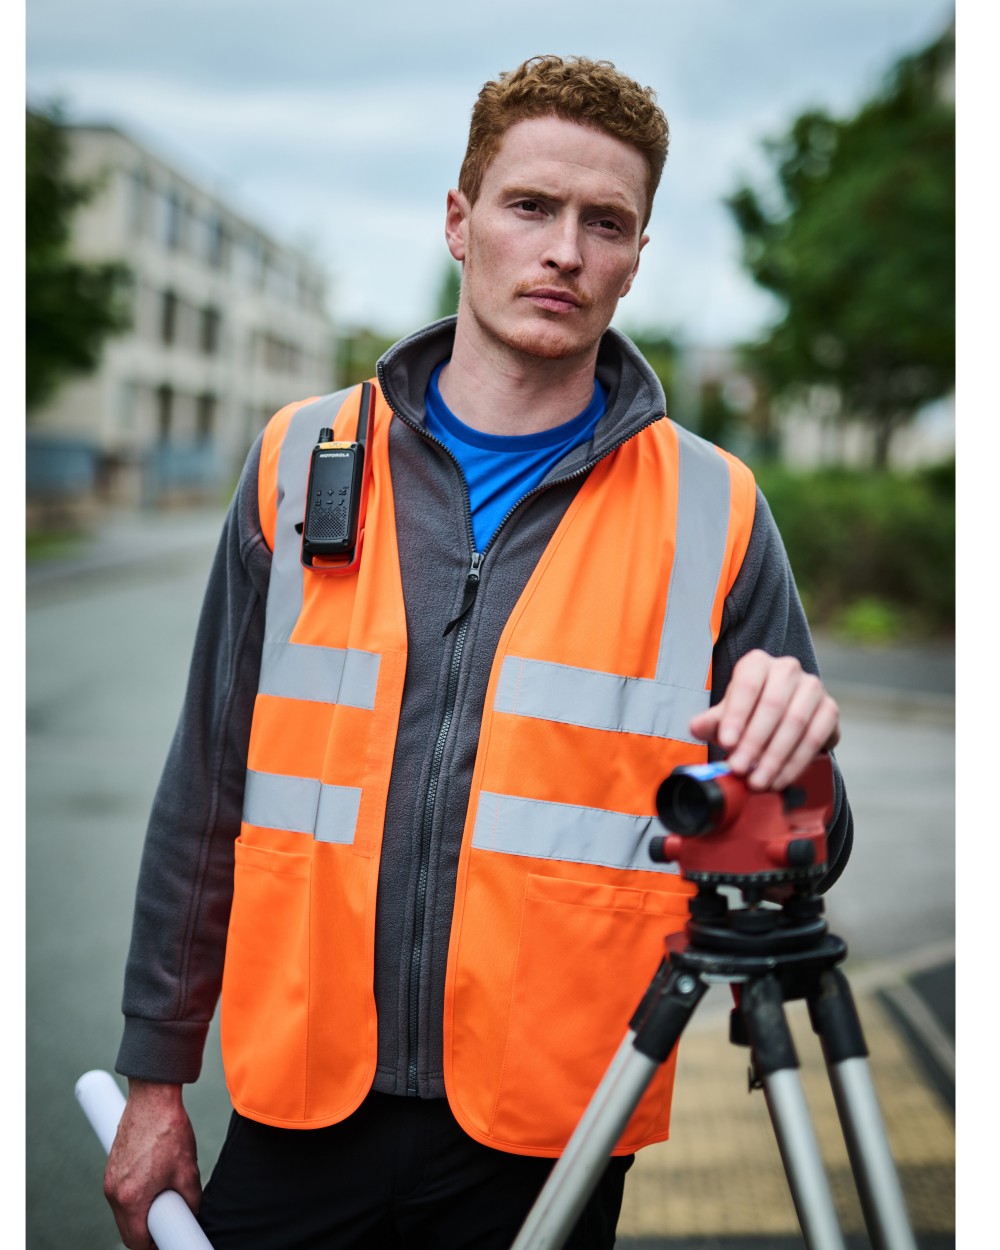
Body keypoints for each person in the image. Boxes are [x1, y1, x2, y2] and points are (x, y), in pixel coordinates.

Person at [104, 54, 852, 1250]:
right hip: (300, 1102)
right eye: (530, 206)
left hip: (546, 1130)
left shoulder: (715, 507)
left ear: (637, 254)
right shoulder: (302, 460)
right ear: (460, 222)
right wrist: (154, 1078)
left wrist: (789, 752)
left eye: (605, 222)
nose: (565, 249)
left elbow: (809, 853)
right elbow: (205, 790)